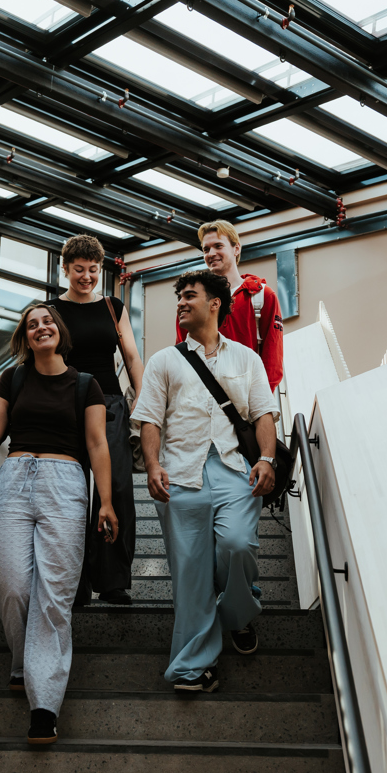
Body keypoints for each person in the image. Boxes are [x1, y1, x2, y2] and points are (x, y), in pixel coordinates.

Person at [0, 304, 118, 745]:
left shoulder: (86, 385)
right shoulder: (13, 378)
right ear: (26, 336)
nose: (41, 327)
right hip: (15, 480)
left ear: (59, 331)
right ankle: (23, 661)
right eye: (32, 324)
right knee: (11, 585)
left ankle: (44, 706)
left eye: (47, 321)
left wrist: (107, 502)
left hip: (65, 484)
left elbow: (98, 444)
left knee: (53, 595)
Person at [134, 270, 278, 693]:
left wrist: (267, 458)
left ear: (215, 303)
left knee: (237, 545)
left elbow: (263, 413)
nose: (180, 302)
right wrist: (152, 465)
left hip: (234, 471)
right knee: (190, 573)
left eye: (189, 296)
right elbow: (148, 419)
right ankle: (193, 667)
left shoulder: (246, 359)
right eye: (178, 297)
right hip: (181, 474)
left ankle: (237, 614)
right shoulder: (163, 360)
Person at [47, 234, 144, 607]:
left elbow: (132, 357)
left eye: (92, 270)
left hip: (110, 405)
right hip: (66, 406)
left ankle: (113, 581)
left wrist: (142, 399)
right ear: (66, 269)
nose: (86, 276)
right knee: (71, 493)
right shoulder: (51, 310)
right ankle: (74, 584)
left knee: (116, 488)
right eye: (79, 270)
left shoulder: (111, 306)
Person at [176, 220, 285, 393]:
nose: (211, 253)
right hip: (200, 402)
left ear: (236, 249)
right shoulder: (192, 300)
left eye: (218, 246)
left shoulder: (262, 296)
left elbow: (272, 359)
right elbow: (181, 355)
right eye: (206, 249)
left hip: (247, 399)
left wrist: (260, 404)